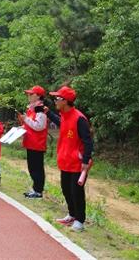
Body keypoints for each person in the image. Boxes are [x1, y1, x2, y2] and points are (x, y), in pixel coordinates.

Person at [47, 86, 93, 232]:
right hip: (65, 161)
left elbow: (88, 141)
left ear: (65, 101)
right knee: (66, 189)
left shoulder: (79, 118)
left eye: (57, 98)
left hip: (77, 163)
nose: (55, 101)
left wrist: (85, 161)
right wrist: (48, 113)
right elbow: (61, 123)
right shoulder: (65, 116)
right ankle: (72, 214)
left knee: (76, 192)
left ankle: (80, 220)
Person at [17, 85, 48, 199]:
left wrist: (26, 119)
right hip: (30, 142)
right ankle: (35, 189)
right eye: (28, 94)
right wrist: (21, 128)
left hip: (37, 144)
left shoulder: (40, 109)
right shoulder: (31, 108)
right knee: (32, 167)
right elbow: (29, 125)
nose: (28, 96)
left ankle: (38, 191)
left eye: (31, 94)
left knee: (37, 168)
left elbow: (39, 126)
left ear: (38, 96)